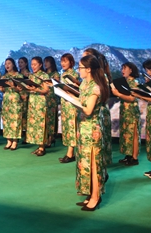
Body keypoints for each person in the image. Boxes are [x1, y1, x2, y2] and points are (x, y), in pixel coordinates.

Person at [74, 55, 109, 211]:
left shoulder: (95, 87)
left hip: (92, 129)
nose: (79, 70)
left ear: (88, 69)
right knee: (85, 163)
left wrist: (72, 100)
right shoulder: (84, 84)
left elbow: (88, 110)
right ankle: (89, 193)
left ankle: (96, 196)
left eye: (80, 67)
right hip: (83, 129)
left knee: (94, 164)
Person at [111, 62, 140, 166]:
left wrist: (118, 94)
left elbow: (132, 98)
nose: (122, 70)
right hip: (125, 111)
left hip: (132, 112)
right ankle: (128, 155)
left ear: (131, 70)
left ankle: (134, 157)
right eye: (122, 68)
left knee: (134, 134)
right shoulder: (125, 82)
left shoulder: (134, 83)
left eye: (124, 68)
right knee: (127, 134)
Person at [24, 57, 51, 156]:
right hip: (32, 101)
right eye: (32, 64)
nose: (33, 66)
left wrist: (36, 90)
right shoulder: (31, 75)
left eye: (35, 64)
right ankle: (38, 146)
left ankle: (42, 147)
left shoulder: (44, 75)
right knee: (33, 124)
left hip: (40, 101)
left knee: (40, 124)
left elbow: (46, 90)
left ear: (40, 65)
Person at [0, 58, 23, 151]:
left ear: (13, 64)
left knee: (15, 119)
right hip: (6, 100)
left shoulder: (18, 75)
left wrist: (13, 86)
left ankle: (15, 141)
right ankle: (8, 140)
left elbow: (20, 89)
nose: (7, 65)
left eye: (9, 63)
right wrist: (1, 88)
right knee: (6, 120)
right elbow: (3, 90)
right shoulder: (4, 76)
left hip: (15, 99)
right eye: (6, 64)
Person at [59, 54, 79, 163]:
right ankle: (70, 152)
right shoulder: (63, 74)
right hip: (64, 103)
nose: (63, 63)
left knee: (72, 127)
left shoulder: (73, 74)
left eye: (65, 61)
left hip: (71, 103)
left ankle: (70, 154)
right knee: (67, 127)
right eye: (62, 61)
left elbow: (74, 89)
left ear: (71, 62)